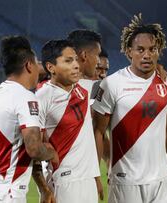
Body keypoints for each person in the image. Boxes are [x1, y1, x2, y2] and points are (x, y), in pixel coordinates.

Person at [92, 14, 167, 203]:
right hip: (125, 181)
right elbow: (98, 132)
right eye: (140, 49)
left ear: (159, 52)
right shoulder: (111, 84)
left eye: (152, 49)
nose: (147, 55)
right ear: (129, 51)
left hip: (160, 181)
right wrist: (95, 175)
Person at [0, 36, 58, 203]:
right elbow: (34, 149)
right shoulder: (26, 97)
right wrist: (51, 152)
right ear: (28, 65)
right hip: (7, 192)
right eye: (36, 64)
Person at [33, 39, 101, 203]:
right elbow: (34, 148)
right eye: (68, 61)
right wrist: (43, 189)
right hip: (63, 181)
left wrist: (96, 176)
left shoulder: (83, 89)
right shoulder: (42, 96)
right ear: (51, 67)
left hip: (88, 180)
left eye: (76, 59)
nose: (76, 65)